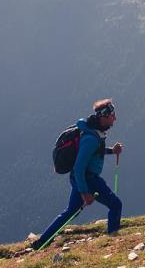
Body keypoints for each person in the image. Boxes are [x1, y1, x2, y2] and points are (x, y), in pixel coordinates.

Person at [30, 99, 123, 251]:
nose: (115, 118)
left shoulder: (92, 132)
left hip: (80, 178)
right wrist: (84, 192)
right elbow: (80, 166)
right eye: (112, 115)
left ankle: (41, 243)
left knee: (70, 212)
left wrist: (112, 151)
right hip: (88, 179)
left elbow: (92, 153)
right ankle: (113, 240)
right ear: (104, 116)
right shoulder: (91, 138)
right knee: (115, 205)